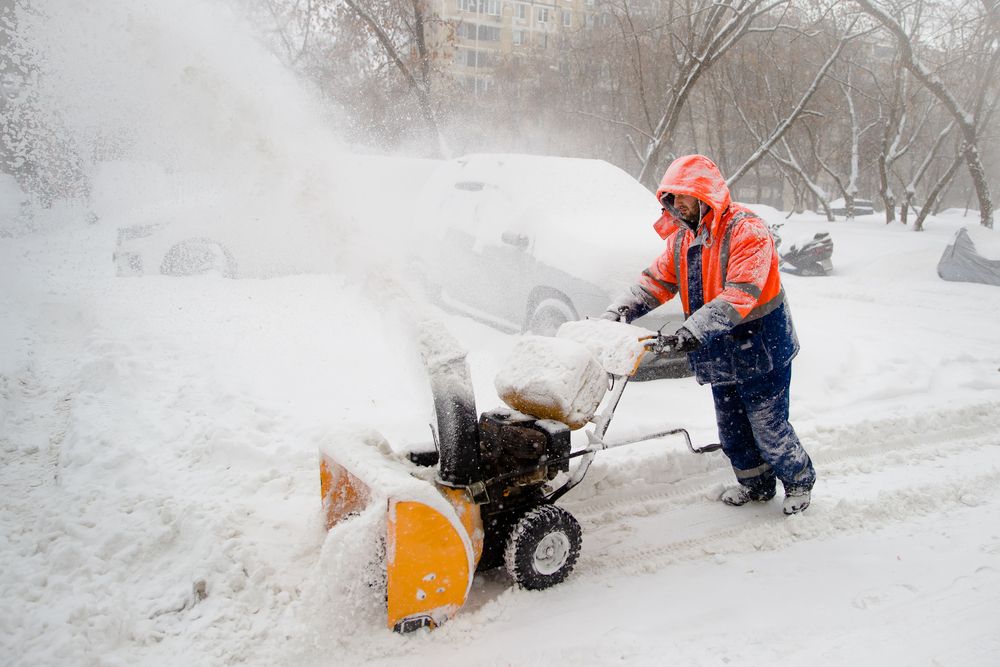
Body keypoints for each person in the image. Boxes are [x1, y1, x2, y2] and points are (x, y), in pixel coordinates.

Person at [601, 154, 815, 515]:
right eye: (671, 197)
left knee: (768, 426)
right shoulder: (683, 240)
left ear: (705, 194)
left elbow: (741, 293)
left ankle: (798, 481)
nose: (677, 203)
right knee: (731, 428)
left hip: (761, 346)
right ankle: (756, 485)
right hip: (719, 348)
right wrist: (618, 312)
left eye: (683, 195)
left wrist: (691, 331)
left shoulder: (748, 231)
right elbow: (656, 282)